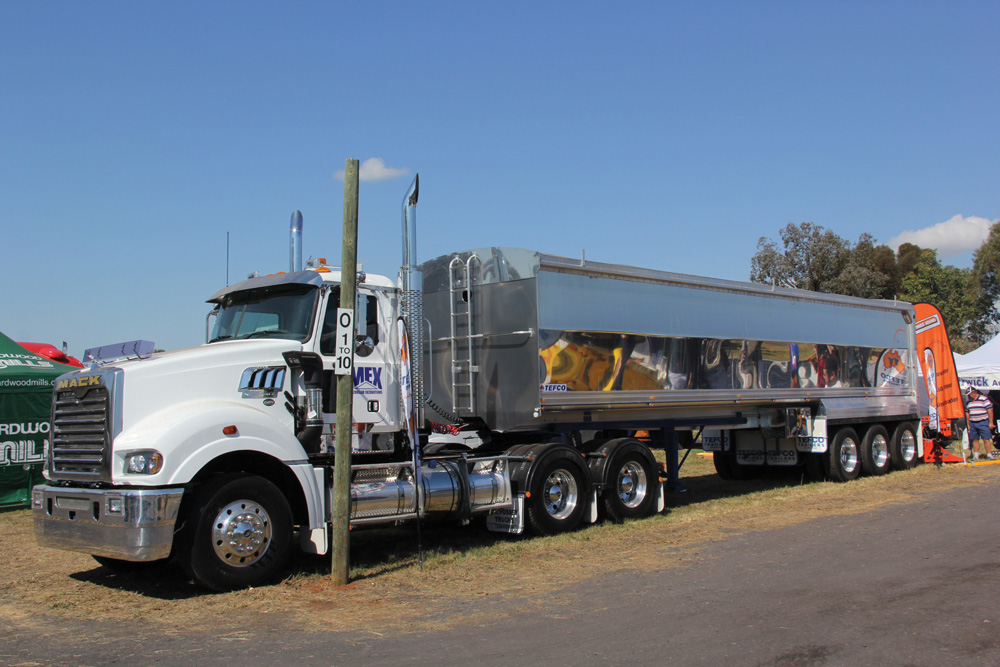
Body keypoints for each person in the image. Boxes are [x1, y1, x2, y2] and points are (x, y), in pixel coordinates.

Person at [965, 386, 996, 462]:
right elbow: (967, 413)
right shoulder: (969, 402)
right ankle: (976, 455)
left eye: (970, 394)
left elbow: (990, 410)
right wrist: (968, 423)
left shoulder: (984, 399)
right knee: (974, 439)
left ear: (974, 393)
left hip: (983, 422)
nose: (969, 396)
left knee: (986, 438)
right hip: (973, 423)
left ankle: (989, 454)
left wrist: (991, 422)